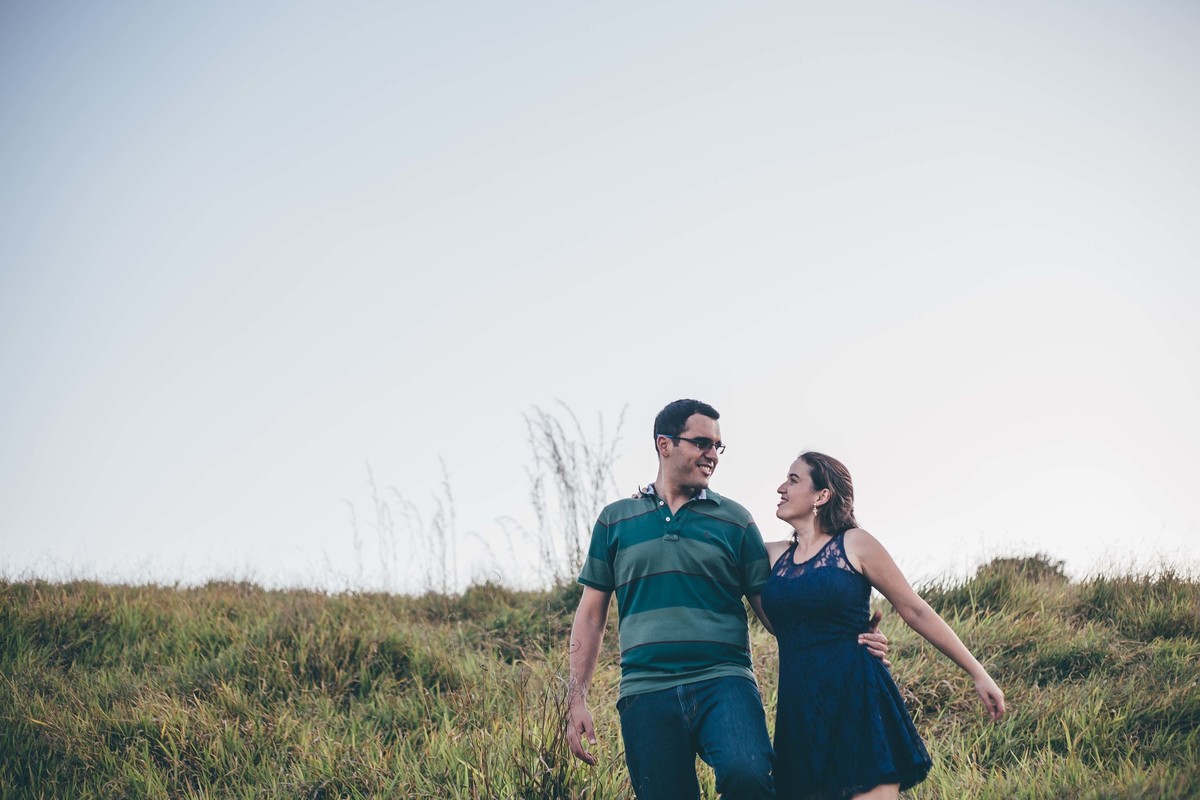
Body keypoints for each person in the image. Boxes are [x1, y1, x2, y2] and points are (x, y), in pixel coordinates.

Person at [565, 400, 889, 800]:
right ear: (664, 444)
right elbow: (591, 617)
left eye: (718, 446)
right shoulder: (615, 520)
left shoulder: (735, 521)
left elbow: (775, 610)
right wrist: (575, 698)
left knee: (749, 776)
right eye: (702, 442)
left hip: (724, 681)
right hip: (645, 690)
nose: (712, 455)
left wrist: (847, 643)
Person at [760, 451, 1006, 800]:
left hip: (858, 699)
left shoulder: (855, 544)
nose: (781, 488)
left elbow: (915, 610)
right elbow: (715, 547)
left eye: (793, 480)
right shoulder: (770, 556)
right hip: (800, 711)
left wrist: (979, 673)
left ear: (821, 495)